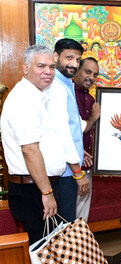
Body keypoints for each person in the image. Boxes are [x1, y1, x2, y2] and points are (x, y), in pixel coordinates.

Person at [0, 44, 66, 244]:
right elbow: (29, 150)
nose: (48, 72)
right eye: (41, 66)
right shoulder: (24, 99)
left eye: (52, 67)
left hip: (40, 187)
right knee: (42, 254)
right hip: (33, 191)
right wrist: (46, 193)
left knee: (48, 252)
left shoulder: (36, 95)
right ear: (26, 68)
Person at [45, 38, 89, 222]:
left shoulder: (66, 84)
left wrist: (81, 152)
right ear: (56, 56)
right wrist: (78, 173)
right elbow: (61, 135)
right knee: (64, 226)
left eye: (77, 60)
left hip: (67, 168)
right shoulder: (56, 87)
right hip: (64, 173)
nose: (74, 64)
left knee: (64, 224)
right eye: (69, 57)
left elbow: (72, 128)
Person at [74, 57, 101, 221]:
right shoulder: (67, 95)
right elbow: (69, 131)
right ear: (77, 71)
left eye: (95, 74)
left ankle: (80, 245)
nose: (91, 77)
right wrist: (92, 118)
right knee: (70, 212)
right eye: (88, 71)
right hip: (70, 167)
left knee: (83, 213)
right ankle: (69, 246)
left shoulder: (91, 99)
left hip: (87, 164)